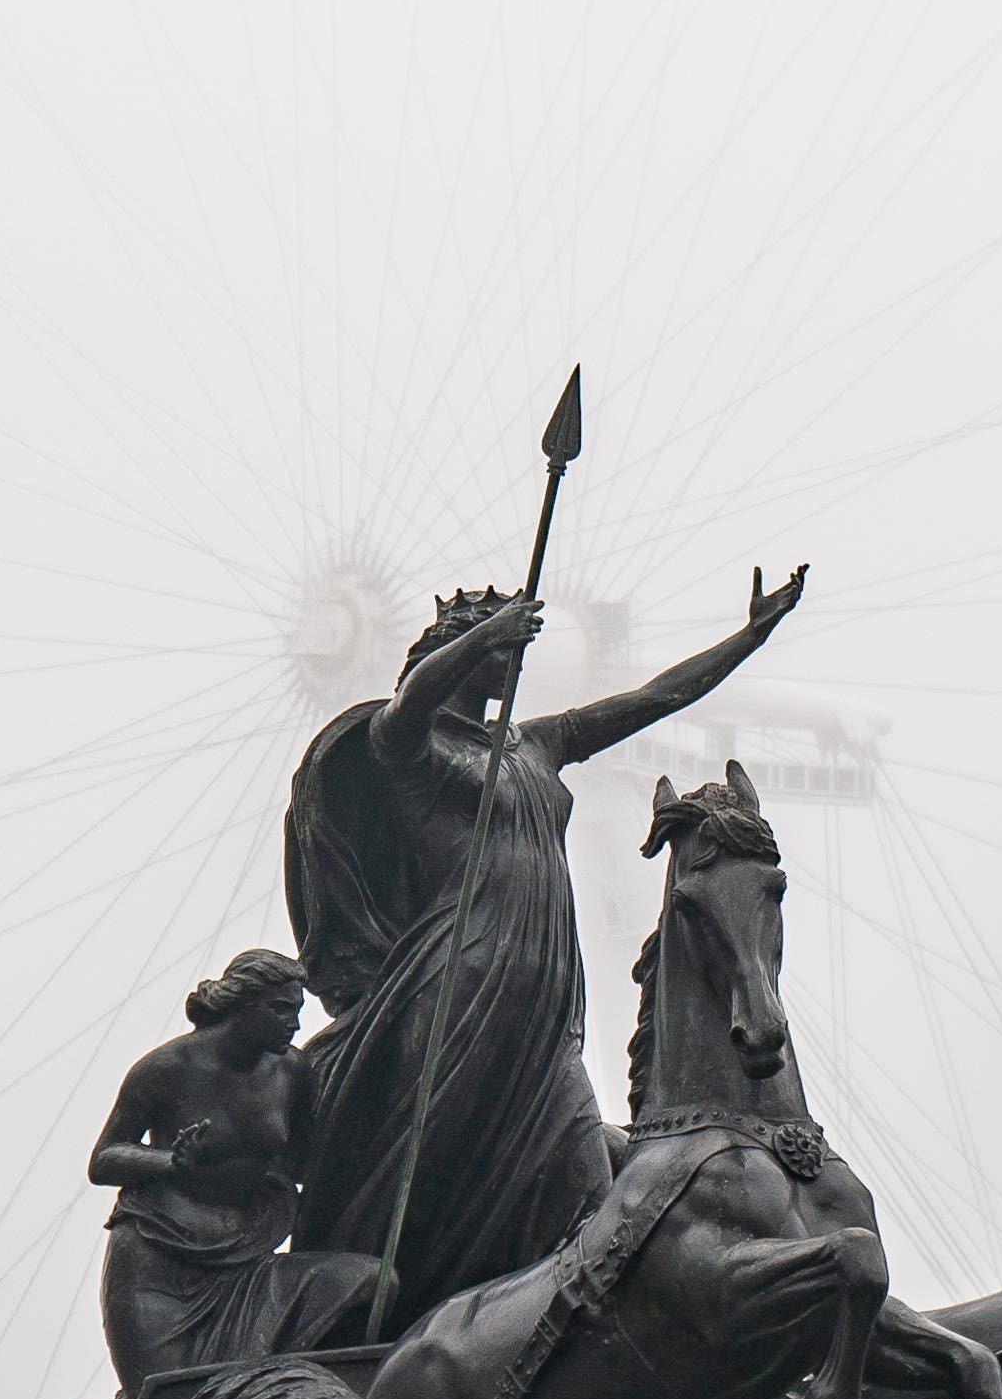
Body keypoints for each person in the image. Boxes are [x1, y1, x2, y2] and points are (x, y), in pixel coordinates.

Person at [280, 566, 803, 1334]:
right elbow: (411, 700)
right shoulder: (410, 743)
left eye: (514, 649)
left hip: (546, 987)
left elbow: (651, 699)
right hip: (460, 978)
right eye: (499, 649)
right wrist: (484, 634)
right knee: (434, 1157)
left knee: (582, 1168)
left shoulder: (536, 743)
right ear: (459, 647)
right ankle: (389, 1315)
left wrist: (748, 637)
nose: (514, 662)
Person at [85, 951, 385, 1389]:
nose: (295, 1026)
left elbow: (305, 1160)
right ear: (241, 1005)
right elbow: (103, 1160)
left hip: (249, 1258)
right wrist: (170, 1163)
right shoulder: (165, 1069)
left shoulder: (293, 1071)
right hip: (159, 1260)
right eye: (281, 1010)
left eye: (297, 1011)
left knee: (373, 1282)